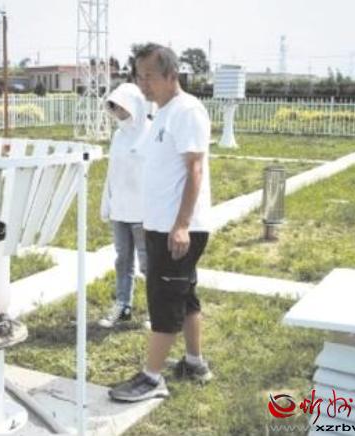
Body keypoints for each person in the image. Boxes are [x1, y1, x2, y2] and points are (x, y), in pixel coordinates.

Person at [109, 43, 213, 402]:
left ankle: (152, 378)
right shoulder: (163, 113)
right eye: (139, 76)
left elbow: (194, 170)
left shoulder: (187, 111)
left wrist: (181, 225)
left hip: (178, 229)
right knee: (185, 296)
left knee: (164, 301)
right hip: (161, 226)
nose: (143, 84)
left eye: (149, 76)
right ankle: (194, 363)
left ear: (171, 74)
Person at [99, 83, 151, 328]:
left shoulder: (151, 133)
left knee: (148, 263)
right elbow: (112, 172)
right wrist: (107, 201)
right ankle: (123, 305)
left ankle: (156, 310)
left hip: (143, 212)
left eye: (119, 105)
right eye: (112, 106)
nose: (116, 111)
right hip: (120, 209)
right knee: (122, 260)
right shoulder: (118, 136)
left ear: (133, 105)